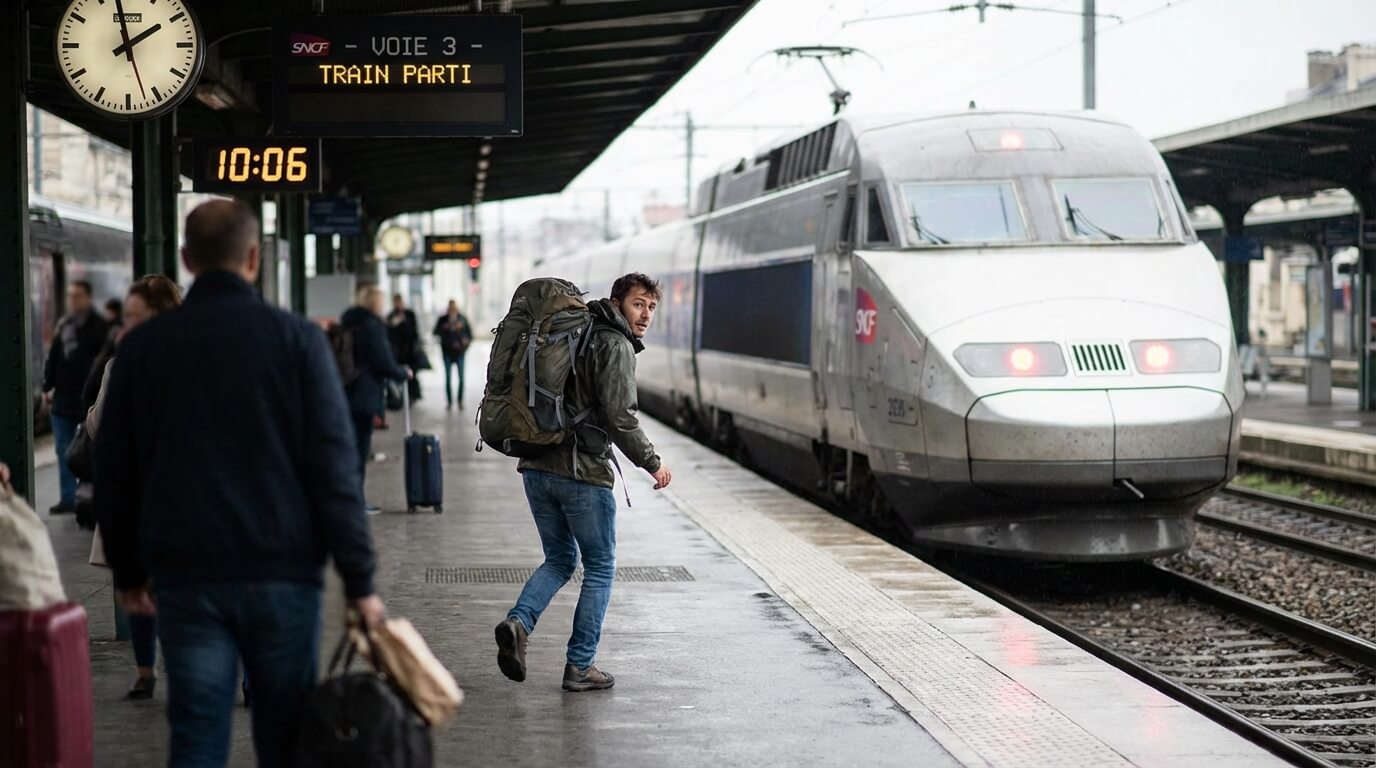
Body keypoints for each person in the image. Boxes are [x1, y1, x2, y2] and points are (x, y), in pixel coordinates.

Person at [95, 199, 385, 767]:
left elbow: (115, 466)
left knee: (198, 735)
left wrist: (128, 572)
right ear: (254, 257)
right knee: (284, 740)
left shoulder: (143, 349)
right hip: (284, 573)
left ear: (185, 258)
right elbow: (334, 469)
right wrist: (360, 581)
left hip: (185, 574)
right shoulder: (298, 341)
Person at [496, 272, 673, 692]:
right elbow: (621, 416)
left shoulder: (577, 331)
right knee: (599, 566)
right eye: (638, 304)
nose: (645, 314)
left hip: (537, 467)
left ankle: (519, 623)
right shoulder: (614, 343)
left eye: (651, 306)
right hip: (582, 475)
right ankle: (579, 665)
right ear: (617, 302)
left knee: (559, 559)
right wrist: (652, 463)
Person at [84, 275, 182, 701]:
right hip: (180, 495)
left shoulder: (122, 363)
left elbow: (99, 426)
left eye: (136, 316)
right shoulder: (205, 354)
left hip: (149, 492)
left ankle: (147, 671)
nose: (128, 325)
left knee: (146, 586)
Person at [341, 286, 410, 515]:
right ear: (374, 304)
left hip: (346, 391)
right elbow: (383, 362)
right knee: (360, 451)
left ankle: (348, 498)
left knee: (350, 449)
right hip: (364, 394)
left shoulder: (349, 323)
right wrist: (403, 372)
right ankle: (355, 501)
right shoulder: (372, 327)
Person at [42, 280, 109, 515]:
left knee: (86, 451)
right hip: (62, 401)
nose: (73, 300)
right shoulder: (64, 326)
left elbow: (100, 365)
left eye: (78, 296)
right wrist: (47, 386)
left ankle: (87, 497)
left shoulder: (100, 328)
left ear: (88, 298)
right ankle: (68, 498)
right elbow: (54, 358)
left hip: (84, 402)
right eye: (70, 296)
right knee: (64, 450)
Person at [432, 299, 473, 410]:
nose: (452, 311)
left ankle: (460, 401)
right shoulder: (443, 320)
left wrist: (465, 345)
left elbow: (470, 335)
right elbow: (435, 331)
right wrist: (444, 328)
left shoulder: (462, 319)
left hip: (460, 353)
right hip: (447, 353)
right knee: (448, 378)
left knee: (461, 378)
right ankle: (449, 402)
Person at [387, 294, 422, 403]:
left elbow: (414, 332)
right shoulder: (391, 316)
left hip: (410, 351)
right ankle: (400, 395)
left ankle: (412, 395)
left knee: (411, 374)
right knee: (398, 374)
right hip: (397, 351)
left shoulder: (410, 314)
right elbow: (389, 332)